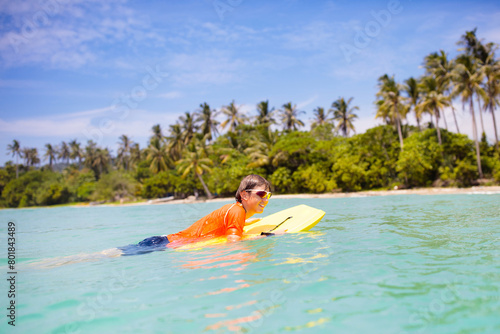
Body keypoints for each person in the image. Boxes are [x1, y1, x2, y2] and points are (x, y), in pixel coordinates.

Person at [118, 174, 272, 255]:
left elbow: (227, 228)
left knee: (116, 253)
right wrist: (266, 236)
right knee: (108, 255)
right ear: (244, 195)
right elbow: (234, 244)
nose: (265, 199)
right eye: (261, 193)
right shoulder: (237, 211)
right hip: (164, 243)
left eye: (268, 195)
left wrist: (248, 223)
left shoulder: (236, 211)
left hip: (163, 241)